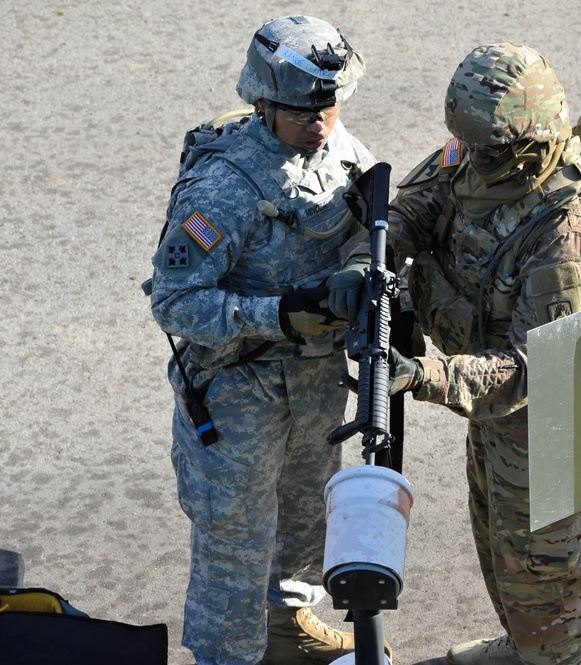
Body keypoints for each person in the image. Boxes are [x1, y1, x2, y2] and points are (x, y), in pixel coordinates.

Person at [368, 43, 581, 665]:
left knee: (544, 580)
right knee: (497, 545)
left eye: (488, 151)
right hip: (494, 411)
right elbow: (423, 199)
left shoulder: (568, 228)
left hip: (549, 428)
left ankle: (551, 656)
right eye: (467, 144)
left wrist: (419, 376)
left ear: (531, 143)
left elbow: (534, 370)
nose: (471, 160)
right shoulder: (486, 150)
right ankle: (523, 648)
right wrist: (371, 257)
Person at [148, 15, 383, 665]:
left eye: (330, 105)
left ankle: (285, 628)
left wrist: (363, 260)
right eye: (303, 109)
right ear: (263, 101)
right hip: (236, 390)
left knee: (305, 517)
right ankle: (231, 655)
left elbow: (374, 221)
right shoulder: (224, 185)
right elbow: (174, 301)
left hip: (314, 385)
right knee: (236, 544)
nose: (320, 121)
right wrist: (278, 313)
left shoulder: (342, 151)